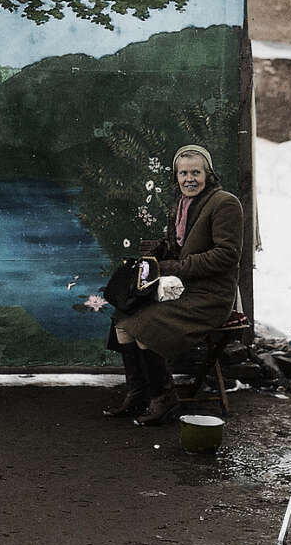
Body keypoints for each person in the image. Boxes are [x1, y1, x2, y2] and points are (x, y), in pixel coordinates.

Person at [103, 144, 244, 427]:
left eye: (196, 172)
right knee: (123, 318)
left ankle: (164, 400)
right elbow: (179, 247)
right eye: (183, 173)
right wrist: (157, 257)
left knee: (146, 325)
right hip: (183, 288)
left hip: (210, 296)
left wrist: (176, 267)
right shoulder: (181, 205)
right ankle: (139, 394)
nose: (189, 179)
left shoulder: (224, 203)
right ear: (176, 176)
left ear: (209, 174)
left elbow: (226, 256)